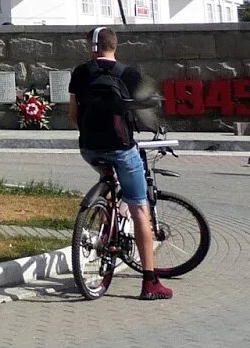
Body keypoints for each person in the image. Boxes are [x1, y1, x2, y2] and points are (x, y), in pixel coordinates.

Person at [68, 26, 172, 300]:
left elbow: (73, 113)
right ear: (115, 46)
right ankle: (150, 283)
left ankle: (105, 219)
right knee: (140, 209)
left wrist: (89, 134)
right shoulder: (130, 73)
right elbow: (146, 106)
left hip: (89, 148)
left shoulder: (80, 72)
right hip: (121, 148)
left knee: (108, 182)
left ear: (91, 47)